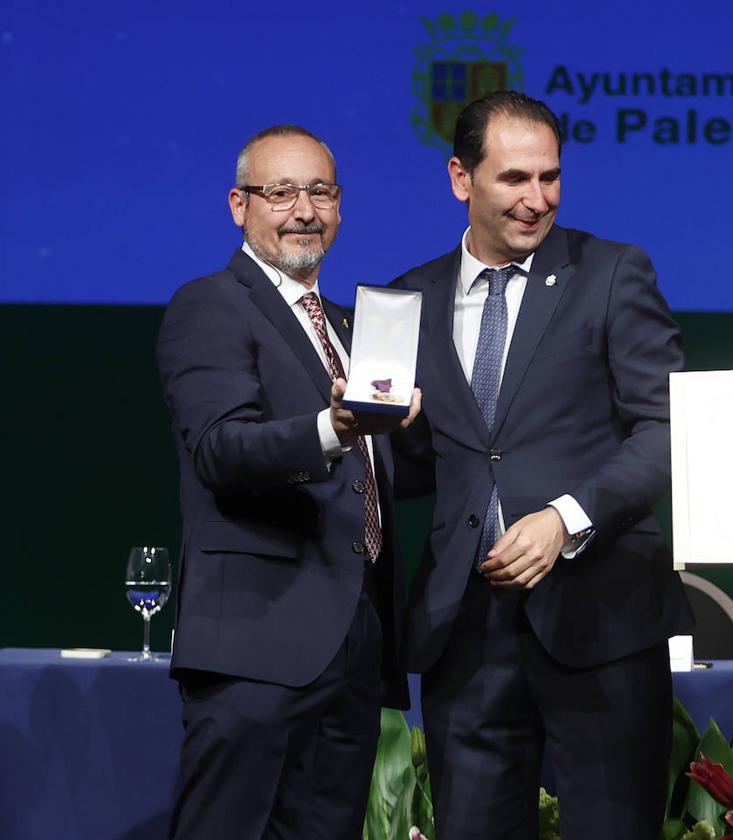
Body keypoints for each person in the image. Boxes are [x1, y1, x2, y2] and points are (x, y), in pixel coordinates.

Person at [389, 91, 692, 839]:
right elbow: (421, 467)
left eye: (549, 179)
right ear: (461, 178)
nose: (536, 200)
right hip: (467, 627)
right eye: (514, 179)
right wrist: (381, 431)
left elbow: (665, 429)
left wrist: (567, 516)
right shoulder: (405, 300)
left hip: (601, 619)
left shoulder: (613, 273)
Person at [157, 124, 421, 840]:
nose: (303, 209)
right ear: (239, 205)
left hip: (354, 648)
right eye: (281, 192)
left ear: (340, 206)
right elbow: (222, 449)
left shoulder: (347, 326)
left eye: (320, 191)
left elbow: (373, 473)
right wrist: (335, 428)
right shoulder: (211, 304)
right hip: (256, 645)